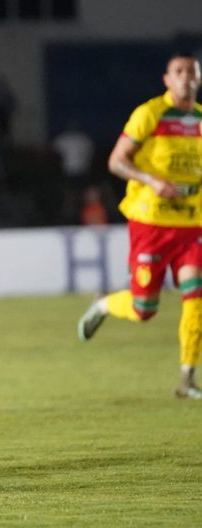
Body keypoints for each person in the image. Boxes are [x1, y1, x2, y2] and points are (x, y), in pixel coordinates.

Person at [77, 52, 202, 399]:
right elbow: (117, 161)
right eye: (179, 72)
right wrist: (152, 180)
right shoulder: (150, 114)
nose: (186, 77)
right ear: (167, 80)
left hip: (191, 224)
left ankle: (187, 378)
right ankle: (104, 304)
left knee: (197, 296)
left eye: (192, 72)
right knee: (144, 308)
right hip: (151, 223)